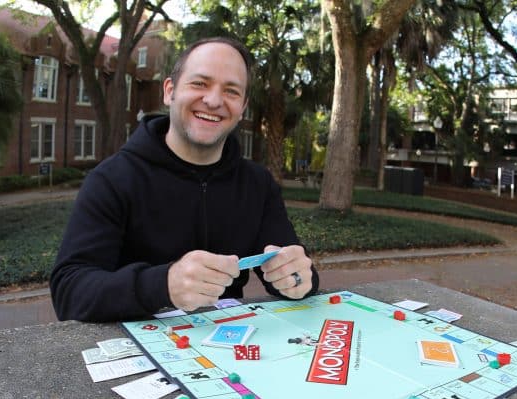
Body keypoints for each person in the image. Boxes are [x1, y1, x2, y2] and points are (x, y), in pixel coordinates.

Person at [50, 37, 319, 322]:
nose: (214, 101)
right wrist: (163, 285)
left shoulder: (257, 184)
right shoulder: (112, 179)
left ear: (242, 108)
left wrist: (299, 279)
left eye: (231, 91)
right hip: (135, 347)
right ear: (170, 91)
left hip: (230, 345)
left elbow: (295, 272)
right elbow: (69, 292)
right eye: (200, 84)